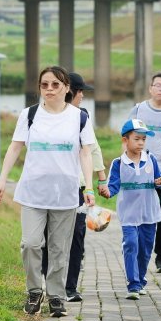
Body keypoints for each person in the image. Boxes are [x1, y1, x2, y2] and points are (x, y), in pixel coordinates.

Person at [0, 66, 96, 318]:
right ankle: (33, 291)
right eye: (44, 85)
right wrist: (1, 181)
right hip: (32, 193)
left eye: (55, 85)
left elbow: (85, 152)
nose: (49, 89)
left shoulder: (79, 117)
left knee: (60, 248)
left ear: (67, 88)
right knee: (30, 243)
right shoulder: (29, 115)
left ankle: (57, 296)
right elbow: (15, 148)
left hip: (65, 194)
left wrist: (90, 186)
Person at [40, 72, 109, 303]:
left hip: (78, 188)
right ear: (72, 92)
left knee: (77, 236)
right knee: (50, 237)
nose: (83, 97)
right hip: (52, 186)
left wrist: (100, 178)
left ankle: (69, 287)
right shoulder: (44, 114)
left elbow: (93, 148)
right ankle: (48, 281)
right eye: (81, 93)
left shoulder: (82, 117)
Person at [100, 119, 161, 300]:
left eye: (143, 139)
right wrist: (107, 192)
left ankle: (141, 279)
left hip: (150, 213)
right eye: (137, 139)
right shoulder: (118, 163)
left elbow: (158, 181)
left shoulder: (151, 159)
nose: (141, 143)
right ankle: (133, 284)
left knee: (145, 249)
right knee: (131, 244)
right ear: (125, 140)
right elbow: (113, 187)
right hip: (128, 213)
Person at [128, 72, 161, 274]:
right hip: (142, 168)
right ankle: (141, 250)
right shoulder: (139, 109)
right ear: (150, 88)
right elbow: (127, 137)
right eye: (157, 85)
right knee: (141, 210)